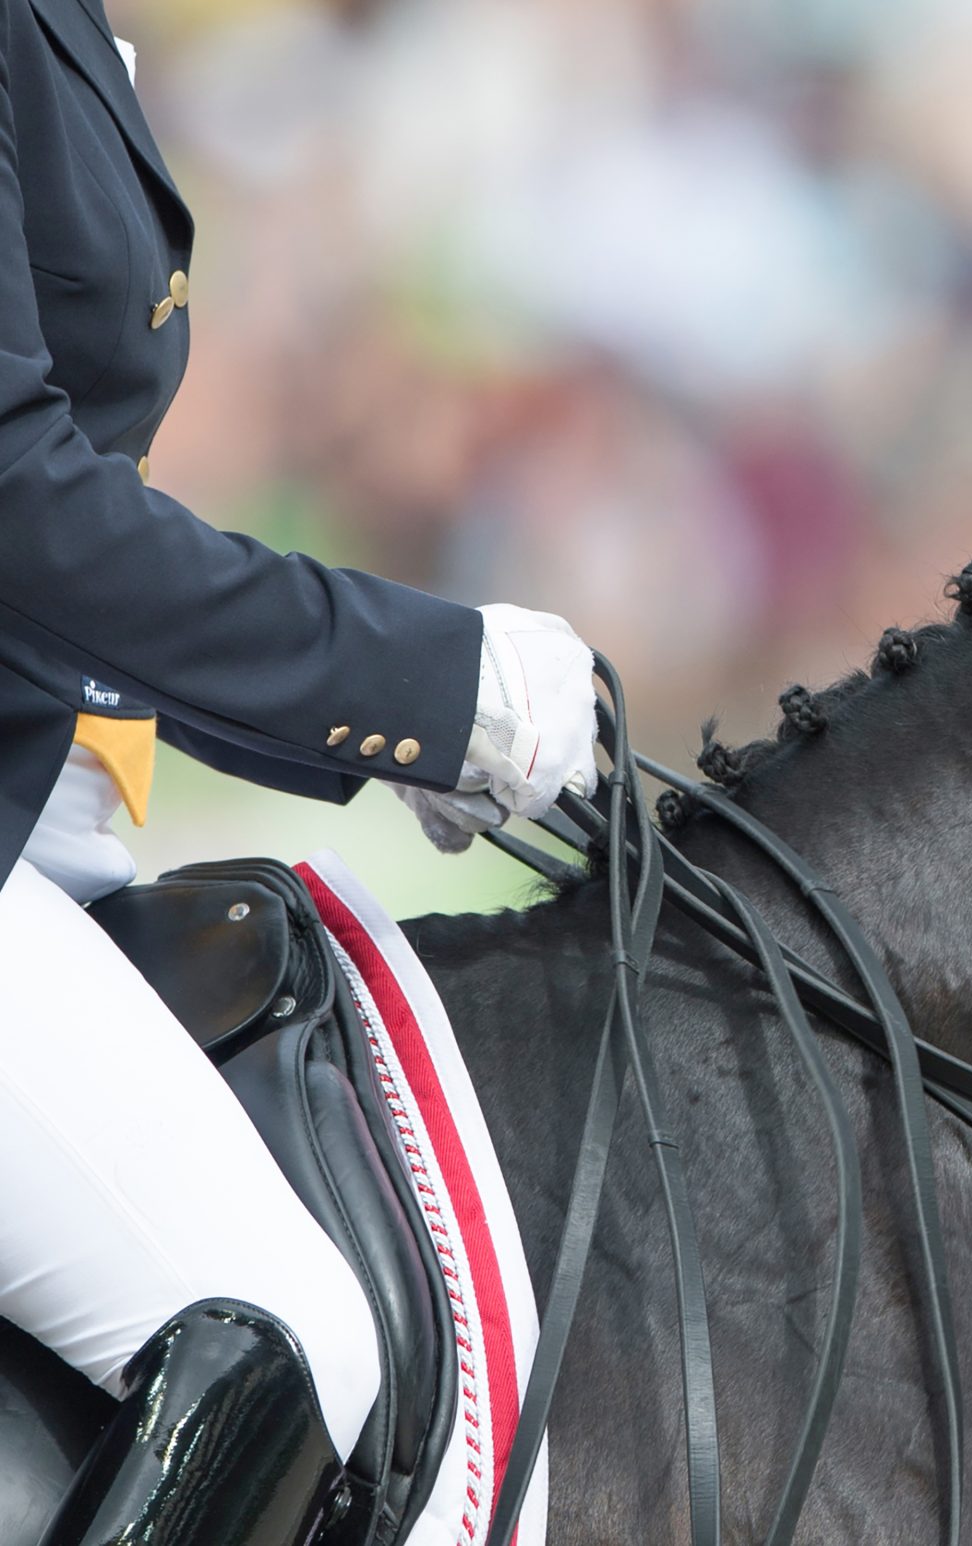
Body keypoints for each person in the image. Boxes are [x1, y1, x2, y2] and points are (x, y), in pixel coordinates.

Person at [0, 0, 597, 1539]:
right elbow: (19, 514)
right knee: (276, 1335)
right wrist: (421, 681)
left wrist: (371, 725)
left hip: (44, 815)